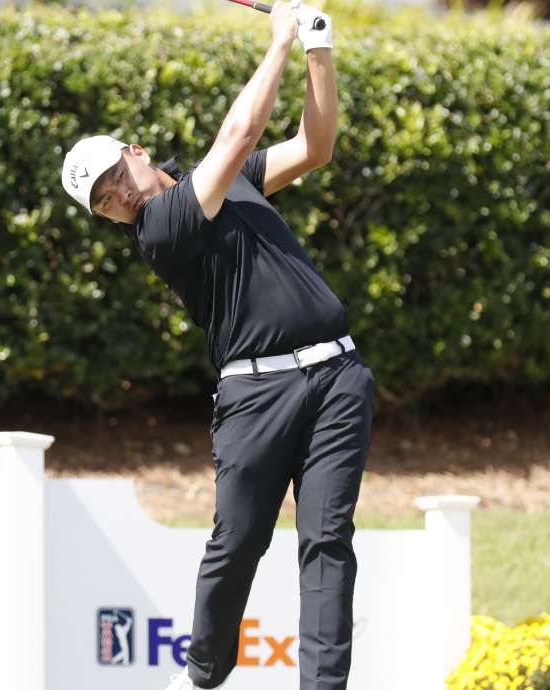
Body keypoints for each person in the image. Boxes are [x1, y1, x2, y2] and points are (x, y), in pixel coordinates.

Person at [60, 3, 375, 689]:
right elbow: (241, 129)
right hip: (256, 395)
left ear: (136, 153)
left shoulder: (223, 183)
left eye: (117, 180)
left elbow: (313, 148)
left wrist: (319, 50)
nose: (120, 200)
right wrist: (280, 41)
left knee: (327, 542)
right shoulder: (163, 229)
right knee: (237, 544)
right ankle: (204, 674)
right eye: (105, 204)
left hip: (337, 377)